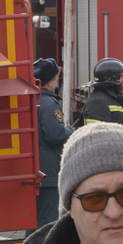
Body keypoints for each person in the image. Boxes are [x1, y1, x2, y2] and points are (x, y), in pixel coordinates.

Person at [34, 58, 72, 228]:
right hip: (48, 171)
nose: (58, 81)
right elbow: (56, 135)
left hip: (35, 169)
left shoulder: (31, 100)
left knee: (34, 219)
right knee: (47, 221)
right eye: (57, 77)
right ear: (50, 82)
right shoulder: (49, 104)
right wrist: (71, 131)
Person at [79, 57, 123, 125]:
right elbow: (96, 133)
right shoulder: (97, 103)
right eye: (119, 77)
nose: (122, 80)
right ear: (111, 79)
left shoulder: (112, 98)